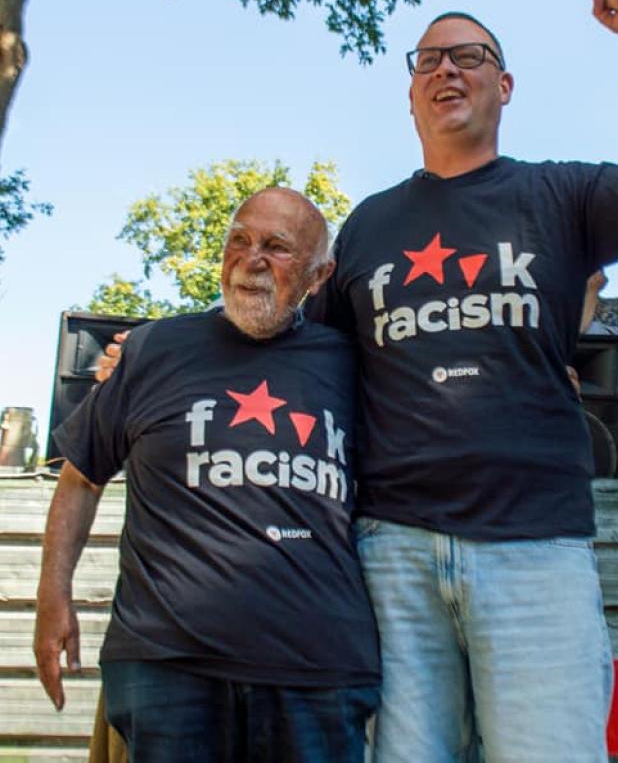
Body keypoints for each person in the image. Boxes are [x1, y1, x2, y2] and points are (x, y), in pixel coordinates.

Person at [95, 0, 618, 763]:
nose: (446, 68)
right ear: (411, 97)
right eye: (427, 60)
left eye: (469, 55)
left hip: (536, 549)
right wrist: (150, 358)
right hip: (392, 557)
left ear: (504, 86)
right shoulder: (367, 226)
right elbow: (284, 346)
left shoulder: (564, 195)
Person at [34, 188, 380, 763]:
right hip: (167, 665)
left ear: (319, 276)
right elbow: (81, 478)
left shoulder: (357, 363)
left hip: (318, 672)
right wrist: (52, 596)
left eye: (277, 247)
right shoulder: (153, 348)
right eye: (238, 240)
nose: (252, 259)